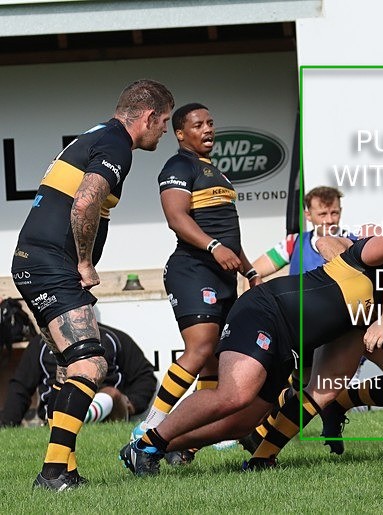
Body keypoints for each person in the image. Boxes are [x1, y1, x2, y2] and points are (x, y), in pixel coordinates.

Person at [119, 188, 383, 477]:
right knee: (235, 395)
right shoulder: (369, 252)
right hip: (265, 311)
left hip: (291, 342)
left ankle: (155, 445)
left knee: (242, 423)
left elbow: (326, 389)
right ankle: (149, 440)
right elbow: (339, 241)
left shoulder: (370, 312)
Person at [10, 79, 173, 490]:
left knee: (71, 367)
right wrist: (84, 261)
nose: (165, 131)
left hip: (35, 259)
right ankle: (51, 473)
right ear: (149, 117)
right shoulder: (117, 144)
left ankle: (65, 470)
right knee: (91, 364)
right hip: (52, 263)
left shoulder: (98, 135)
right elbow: (85, 201)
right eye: (166, 122)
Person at [134, 103, 262, 463]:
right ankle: (151, 426)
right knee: (201, 349)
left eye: (210, 122)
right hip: (192, 270)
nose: (207, 129)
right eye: (197, 124)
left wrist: (249, 271)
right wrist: (213, 246)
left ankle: (186, 443)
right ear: (179, 133)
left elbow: (228, 235)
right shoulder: (177, 166)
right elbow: (176, 219)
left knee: (215, 360)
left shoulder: (215, 172)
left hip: (223, 274)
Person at [1, 323, 155, 427]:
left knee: (111, 393)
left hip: (108, 413)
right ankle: (67, 420)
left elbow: (145, 376)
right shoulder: (41, 343)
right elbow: (20, 387)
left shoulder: (113, 337)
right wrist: (7, 424)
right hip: (57, 413)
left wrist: (131, 403)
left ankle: (79, 418)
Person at [253, 186, 356, 278]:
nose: (330, 220)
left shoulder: (355, 243)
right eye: (323, 214)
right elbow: (252, 273)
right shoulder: (293, 242)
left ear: (341, 211)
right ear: (308, 215)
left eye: (334, 213)